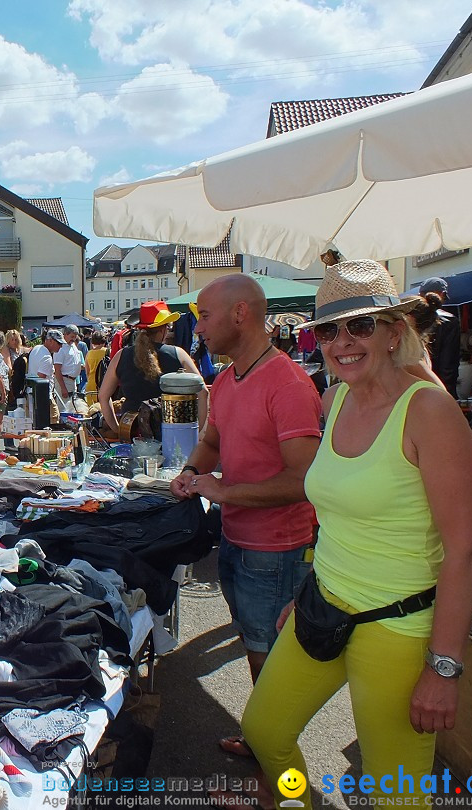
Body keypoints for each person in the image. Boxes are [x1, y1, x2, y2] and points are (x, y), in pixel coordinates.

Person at [241, 259, 472, 809]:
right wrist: (307, 588)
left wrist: (443, 668)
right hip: (322, 606)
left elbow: (466, 550)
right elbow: (335, 510)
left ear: (395, 331)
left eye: (360, 325)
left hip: (397, 628)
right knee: (264, 732)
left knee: (395, 795)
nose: (342, 342)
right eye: (328, 330)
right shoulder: (336, 400)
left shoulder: (430, 412)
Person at [169, 275, 321, 761]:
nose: (199, 326)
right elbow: (213, 442)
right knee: (258, 654)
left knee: (270, 663)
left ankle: (270, 770)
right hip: (239, 539)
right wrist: (194, 470)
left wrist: (224, 489)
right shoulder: (227, 378)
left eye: (206, 315)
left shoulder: (288, 382)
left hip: (276, 549)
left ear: (241, 314)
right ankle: (263, 742)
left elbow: (306, 479)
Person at [99, 301, 207, 434]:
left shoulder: (121, 355)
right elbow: (203, 393)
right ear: (163, 329)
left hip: (133, 432)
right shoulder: (179, 354)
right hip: (172, 433)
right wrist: (196, 429)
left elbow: (103, 396)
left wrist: (118, 429)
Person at [418, 277, 461, 396]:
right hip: (436, 387)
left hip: (409, 385)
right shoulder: (449, 321)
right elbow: (448, 364)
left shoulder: (407, 316)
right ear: (441, 294)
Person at [28, 330, 63, 423]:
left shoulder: (36, 348)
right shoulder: (47, 358)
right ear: (50, 341)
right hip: (44, 396)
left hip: (31, 393)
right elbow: (41, 380)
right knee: (54, 420)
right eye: (59, 343)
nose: (61, 346)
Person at [54, 325, 85, 412]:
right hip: (64, 381)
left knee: (71, 408)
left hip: (73, 381)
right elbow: (57, 370)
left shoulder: (73, 345)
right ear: (65, 334)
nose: (73, 339)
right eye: (72, 336)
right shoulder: (60, 348)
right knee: (64, 409)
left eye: (75, 337)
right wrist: (63, 388)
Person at [83, 332, 108, 406]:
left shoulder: (89, 353)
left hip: (91, 384)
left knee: (92, 410)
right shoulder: (107, 351)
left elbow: (87, 371)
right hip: (104, 384)